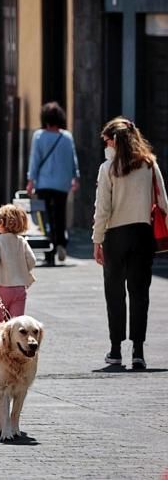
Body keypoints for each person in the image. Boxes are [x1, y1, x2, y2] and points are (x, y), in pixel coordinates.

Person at [92, 117, 168, 370]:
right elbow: (164, 203)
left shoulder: (108, 168)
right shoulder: (149, 165)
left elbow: (102, 208)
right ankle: (138, 350)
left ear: (116, 141)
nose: (105, 144)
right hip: (142, 234)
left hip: (115, 235)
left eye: (107, 140)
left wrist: (97, 240)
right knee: (139, 294)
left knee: (114, 293)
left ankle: (115, 350)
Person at [26, 102, 80, 266]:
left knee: (45, 218)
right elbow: (73, 159)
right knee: (60, 214)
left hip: (44, 183)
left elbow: (35, 159)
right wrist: (75, 177)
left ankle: (49, 252)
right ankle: (61, 243)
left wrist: (30, 180)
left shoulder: (39, 136)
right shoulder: (67, 137)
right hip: (62, 183)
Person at [0, 204, 37, 327]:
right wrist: (21, 271)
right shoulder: (21, 241)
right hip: (20, 288)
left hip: (2, 286)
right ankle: (14, 344)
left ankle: (0, 343)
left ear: (1, 222)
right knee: (16, 323)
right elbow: (32, 260)